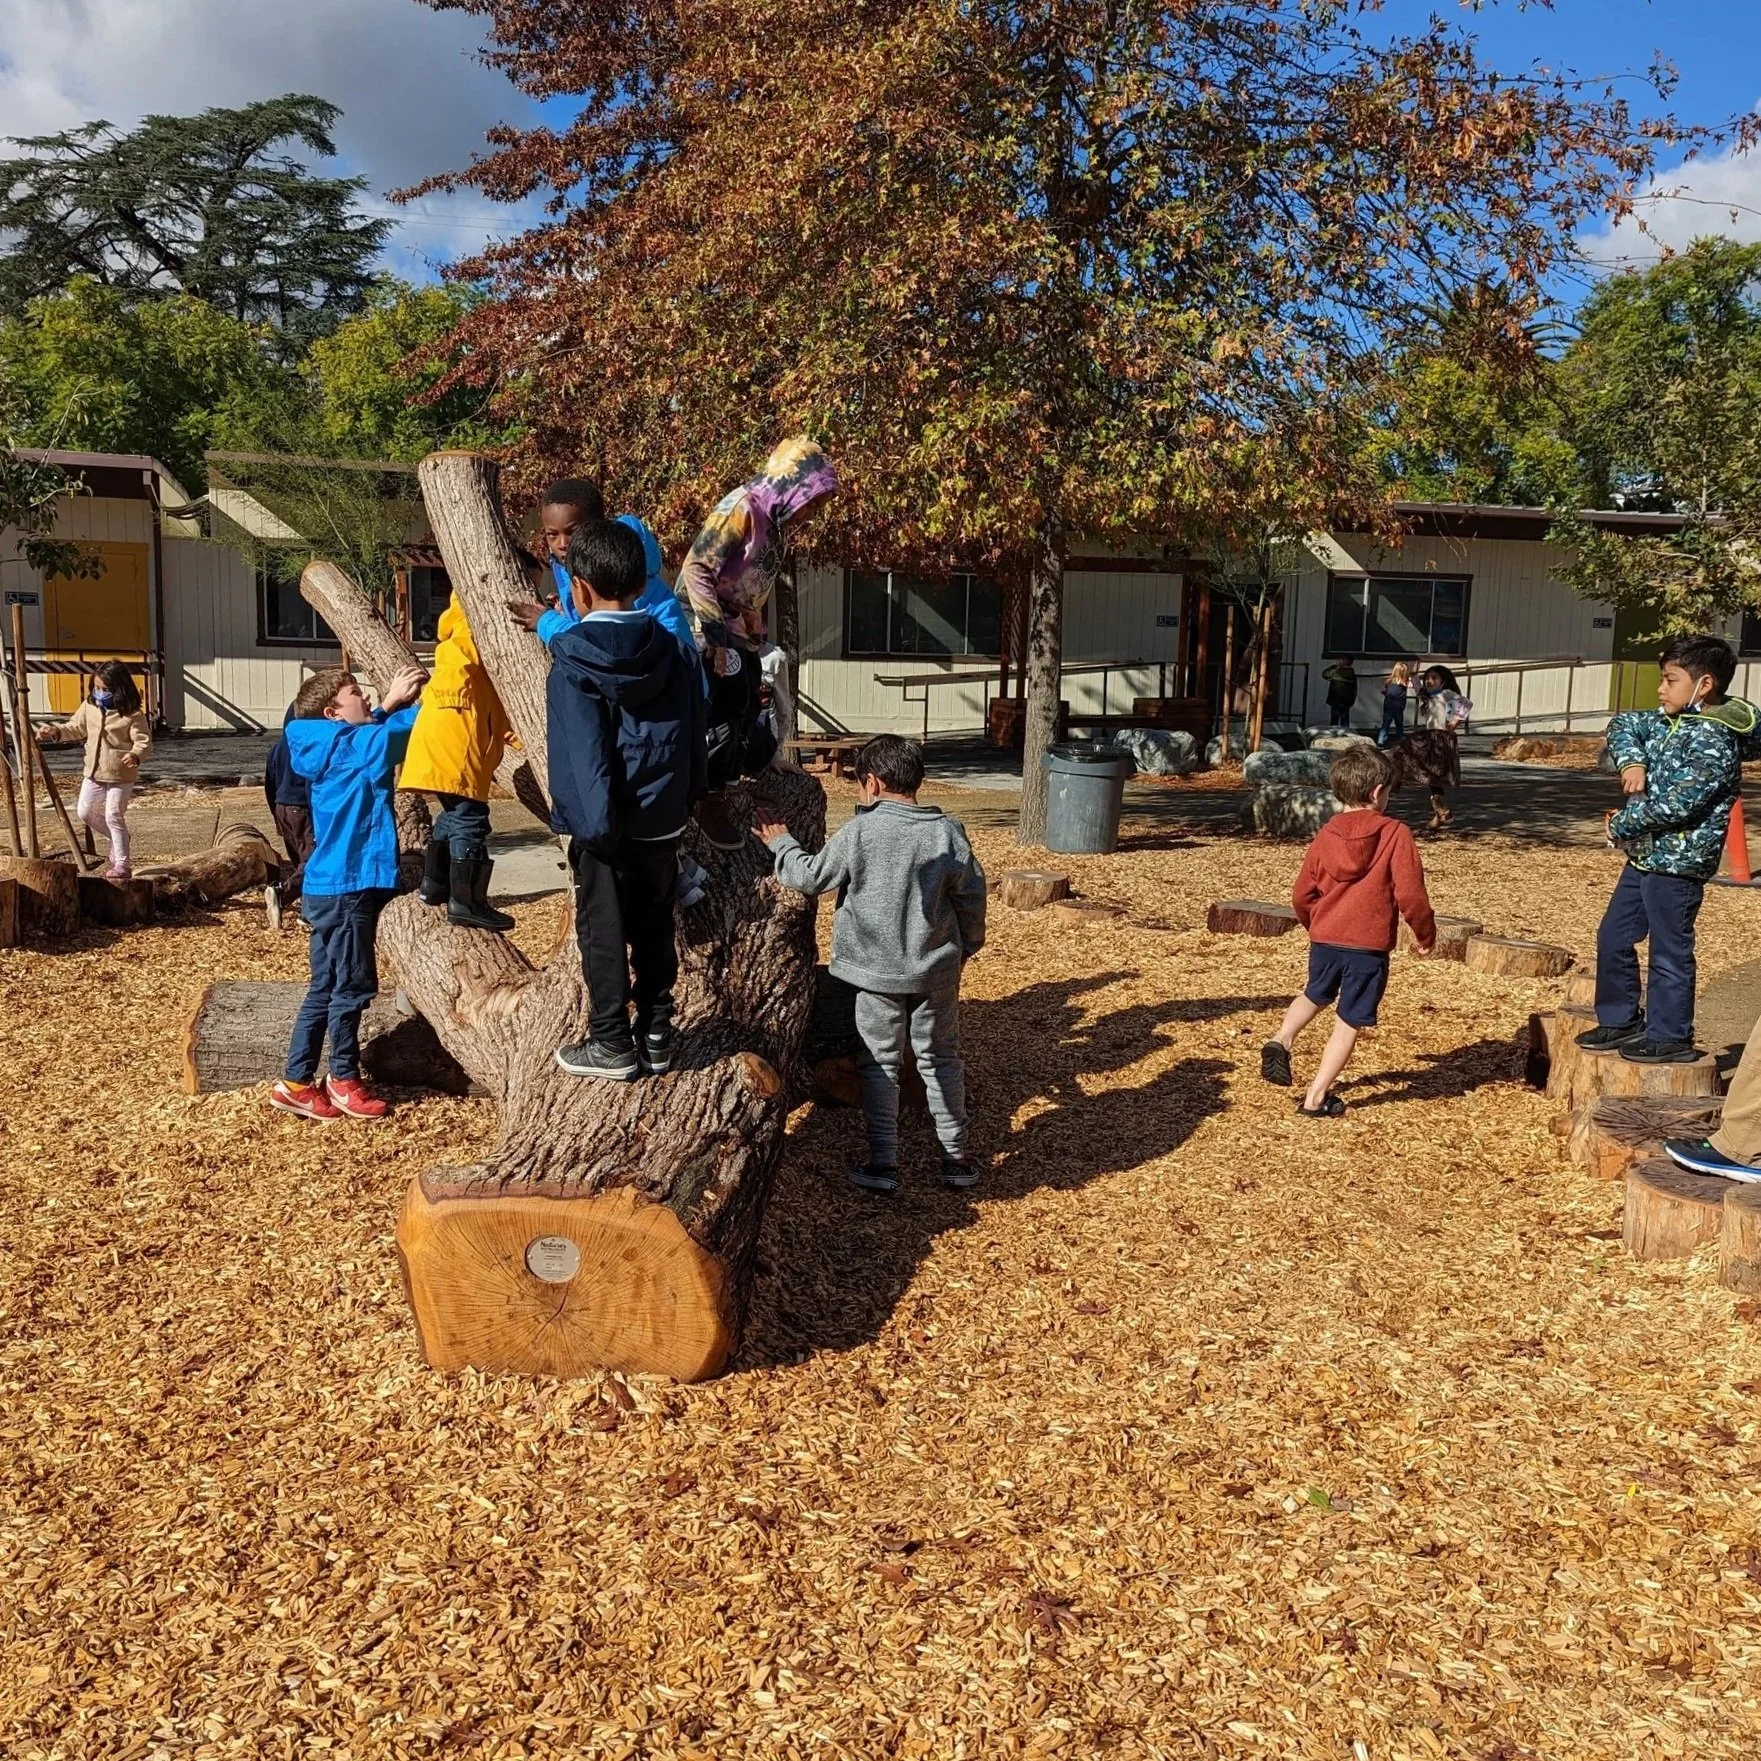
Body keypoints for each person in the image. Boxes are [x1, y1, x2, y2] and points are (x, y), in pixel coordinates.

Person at [755, 734, 987, 1192]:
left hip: (874, 972)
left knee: (879, 1062)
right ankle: (956, 1158)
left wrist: (781, 843)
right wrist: (968, 949)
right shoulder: (947, 832)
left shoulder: (861, 833)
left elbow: (810, 877)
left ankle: (884, 1163)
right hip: (936, 970)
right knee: (940, 1058)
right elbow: (972, 898)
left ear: (873, 784)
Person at [547, 520, 706, 1081]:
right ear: (643, 581)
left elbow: (583, 754)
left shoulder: (573, 658)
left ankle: (611, 1040)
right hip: (663, 819)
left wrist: (593, 830)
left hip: (605, 828)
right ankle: (657, 1030)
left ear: (579, 586)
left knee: (604, 931)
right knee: (656, 922)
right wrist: (686, 799)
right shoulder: (673, 649)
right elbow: (692, 732)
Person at [510, 491, 712, 909]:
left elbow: (605, 646)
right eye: (551, 535)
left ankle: (676, 869)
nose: (562, 543)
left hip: (656, 693)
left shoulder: (628, 578)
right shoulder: (576, 568)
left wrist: (549, 624)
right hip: (639, 692)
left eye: (573, 531)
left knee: (639, 783)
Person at [1576, 634, 1759, 1066]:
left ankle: (1670, 1033)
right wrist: (1631, 763)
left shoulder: (1716, 740)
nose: (1660, 689)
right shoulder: (1665, 720)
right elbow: (1622, 725)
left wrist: (1622, 822)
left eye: (1670, 680)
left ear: (1705, 685)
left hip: (1679, 864)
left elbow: (1678, 803)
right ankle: (1620, 1018)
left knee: (1668, 949)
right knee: (1614, 936)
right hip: (1644, 855)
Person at [270, 662, 428, 1121]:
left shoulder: (327, 744)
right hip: (348, 888)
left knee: (324, 987)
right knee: (352, 986)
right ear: (332, 711)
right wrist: (406, 699)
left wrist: (385, 708)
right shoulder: (352, 747)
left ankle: (297, 1082)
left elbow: (370, 734)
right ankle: (342, 1080)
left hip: (329, 886)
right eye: (356, 692)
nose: (367, 697)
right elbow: (400, 730)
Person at [679, 437, 838, 847]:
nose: (815, 512)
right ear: (794, 484)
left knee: (753, 702)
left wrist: (752, 625)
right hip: (701, 621)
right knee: (725, 702)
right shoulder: (743, 507)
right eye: (814, 501)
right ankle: (706, 797)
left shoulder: (777, 527)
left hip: (737, 628)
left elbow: (749, 588)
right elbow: (697, 568)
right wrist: (714, 639)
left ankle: (739, 781)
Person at [1261, 744, 1435, 1117]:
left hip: (1325, 938)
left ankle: (1282, 1037)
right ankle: (1316, 1097)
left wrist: (1316, 922)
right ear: (1376, 792)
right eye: (1388, 791)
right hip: (1367, 947)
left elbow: (1301, 893)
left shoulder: (1326, 834)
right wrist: (1424, 933)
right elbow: (1411, 893)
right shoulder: (1395, 834)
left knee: (1314, 993)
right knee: (1349, 1020)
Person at [399, 591, 515, 932]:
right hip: (456, 739)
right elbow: (466, 660)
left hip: (445, 737)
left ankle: (434, 885)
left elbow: (498, 713)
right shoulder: (470, 627)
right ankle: (467, 901)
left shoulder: (462, 645)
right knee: (470, 819)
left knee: (453, 815)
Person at [35, 660, 151, 879]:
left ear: (120, 689)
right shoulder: (89, 706)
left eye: (105, 690)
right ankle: (120, 838)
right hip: (93, 771)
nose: (100, 694)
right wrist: (54, 731)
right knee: (85, 812)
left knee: (114, 814)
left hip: (120, 774)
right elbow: (75, 727)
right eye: (96, 688)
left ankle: (123, 864)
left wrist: (135, 754)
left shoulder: (132, 715)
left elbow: (143, 741)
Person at [262, 705, 312, 931]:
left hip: (283, 807)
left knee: (300, 860)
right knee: (314, 860)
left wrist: (275, 814)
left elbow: (269, 784)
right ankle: (283, 893)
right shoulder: (308, 745)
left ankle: (307, 906)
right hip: (302, 807)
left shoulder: (277, 748)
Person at [1408, 664, 1472, 829]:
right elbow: (1419, 690)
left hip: (1441, 739)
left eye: (1434, 678)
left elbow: (1465, 703)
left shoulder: (1446, 694)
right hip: (1431, 738)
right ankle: (1441, 812)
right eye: (1427, 678)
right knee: (1430, 774)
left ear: (1443, 681)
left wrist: (1454, 723)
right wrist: (1414, 675)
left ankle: (1441, 809)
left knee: (1433, 774)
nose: (1429, 681)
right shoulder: (1429, 697)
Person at [1378, 662, 1411, 748]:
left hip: (1388, 705)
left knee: (1385, 723)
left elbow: (1385, 691)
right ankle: (1400, 739)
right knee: (1399, 723)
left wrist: (1385, 693)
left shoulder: (1388, 681)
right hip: (1398, 706)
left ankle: (1381, 740)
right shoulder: (1404, 683)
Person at [1322, 657, 1359, 730]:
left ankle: (1333, 737)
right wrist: (1352, 700)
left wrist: (1333, 667)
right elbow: (1355, 689)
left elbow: (1325, 674)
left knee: (1334, 721)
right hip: (1347, 701)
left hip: (1335, 700)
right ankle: (1345, 736)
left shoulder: (1335, 672)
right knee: (1345, 721)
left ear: (1343, 662)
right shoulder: (1352, 675)